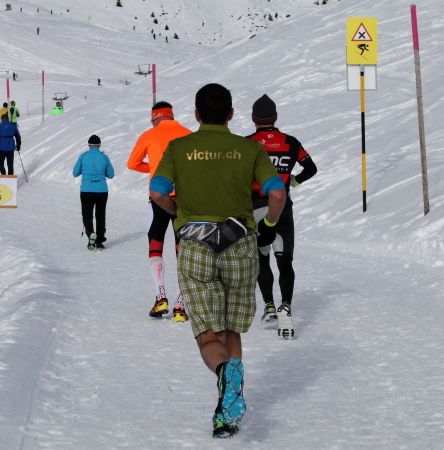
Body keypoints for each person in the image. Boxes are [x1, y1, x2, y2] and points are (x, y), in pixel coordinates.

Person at [149, 83, 286, 438]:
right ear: (231, 115)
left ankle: (225, 376)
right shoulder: (250, 149)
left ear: (196, 115)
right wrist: (269, 226)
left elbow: (157, 192)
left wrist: (177, 212)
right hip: (240, 243)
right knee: (231, 328)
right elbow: (277, 193)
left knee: (208, 333)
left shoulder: (179, 148)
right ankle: (227, 412)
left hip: (196, 246)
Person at [247, 94, 317, 323]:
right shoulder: (291, 142)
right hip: (283, 206)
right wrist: (293, 181)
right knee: (284, 260)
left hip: (256, 206)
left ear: (253, 119)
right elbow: (311, 168)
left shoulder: (248, 143)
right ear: (275, 117)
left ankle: (269, 306)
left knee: (262, 258)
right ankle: (285, 306)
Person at [127, 101, 192, 322]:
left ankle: (160, 297)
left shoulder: (149, 135)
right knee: (184, 249)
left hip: (157, 198)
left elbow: (132, 163)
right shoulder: (188, 134)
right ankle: (180, 305)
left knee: (155, 245)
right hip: (184, 199)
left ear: (155, 117)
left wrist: (154, 168)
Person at [72, 135, 115, 250]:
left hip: (86, 189)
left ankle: (91, 233)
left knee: (87, 214)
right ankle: (99, 241)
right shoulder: (104, 157)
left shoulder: (83, 156)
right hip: (102, 190)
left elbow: (75, 173)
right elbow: (111, 175)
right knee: (100, 215)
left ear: (89, 145)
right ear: (99, 145)